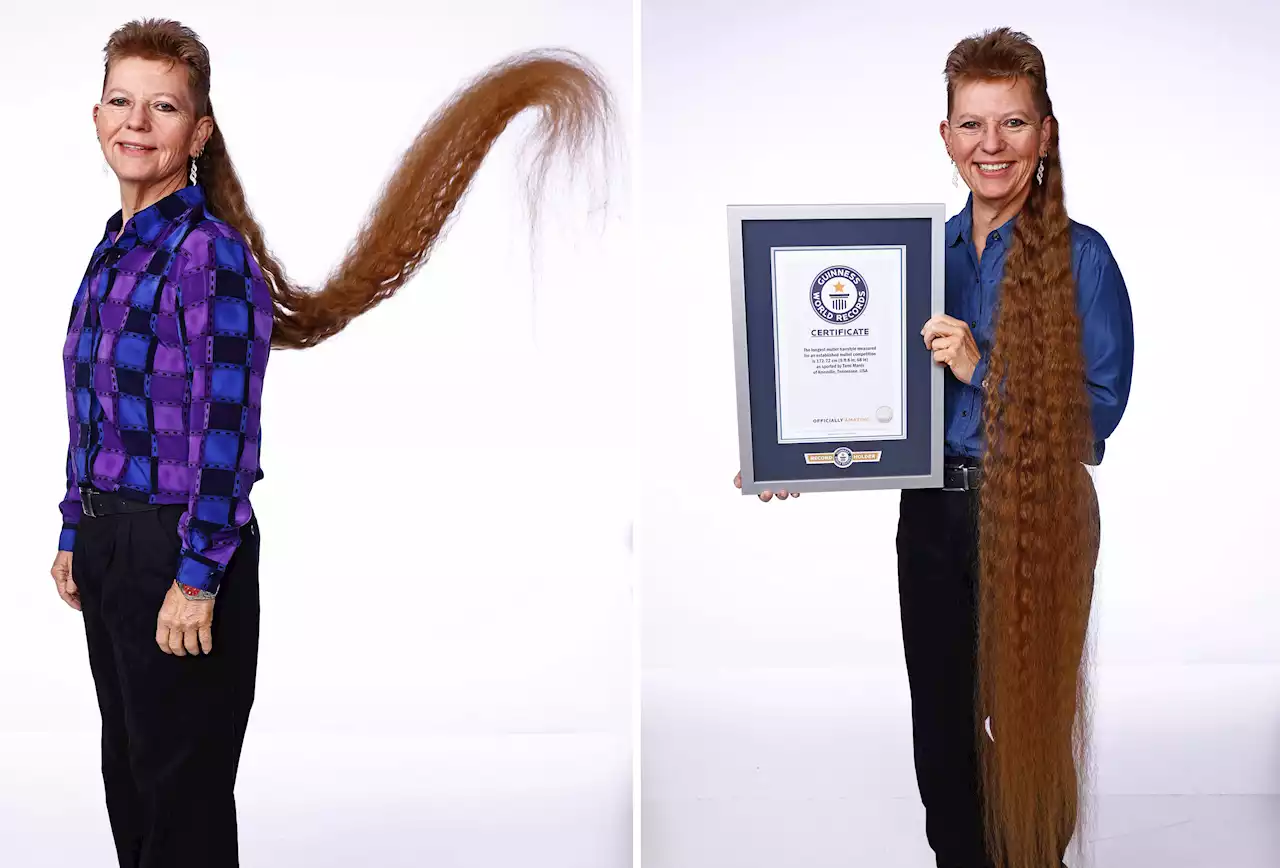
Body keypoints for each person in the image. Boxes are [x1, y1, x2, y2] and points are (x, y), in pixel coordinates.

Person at [46, 18, 612, 868]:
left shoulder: (210, 256)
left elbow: (229, 430)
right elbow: (94, 404)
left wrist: (197, 576)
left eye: (163, 106)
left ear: (198, 133)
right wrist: (72, 529)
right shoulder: (113, 249)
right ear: (96, 116)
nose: (137, 121)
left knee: (182, 801)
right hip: (109, 538)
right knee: (129, 777)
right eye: (121, 100)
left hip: (177, 547)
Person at [735, 27, 1134, 868]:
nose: (992, 145)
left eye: (1014, 123)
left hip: (1040, 514)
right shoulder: (907, 258)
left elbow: (1092, 427)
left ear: (1046, 133)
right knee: (943, 742)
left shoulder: (1082, 260)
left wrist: (982, 368)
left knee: (1030, 732)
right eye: (972, 124)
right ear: (946, 135)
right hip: (934, 518)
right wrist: (786, 447)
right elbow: (845, 377)